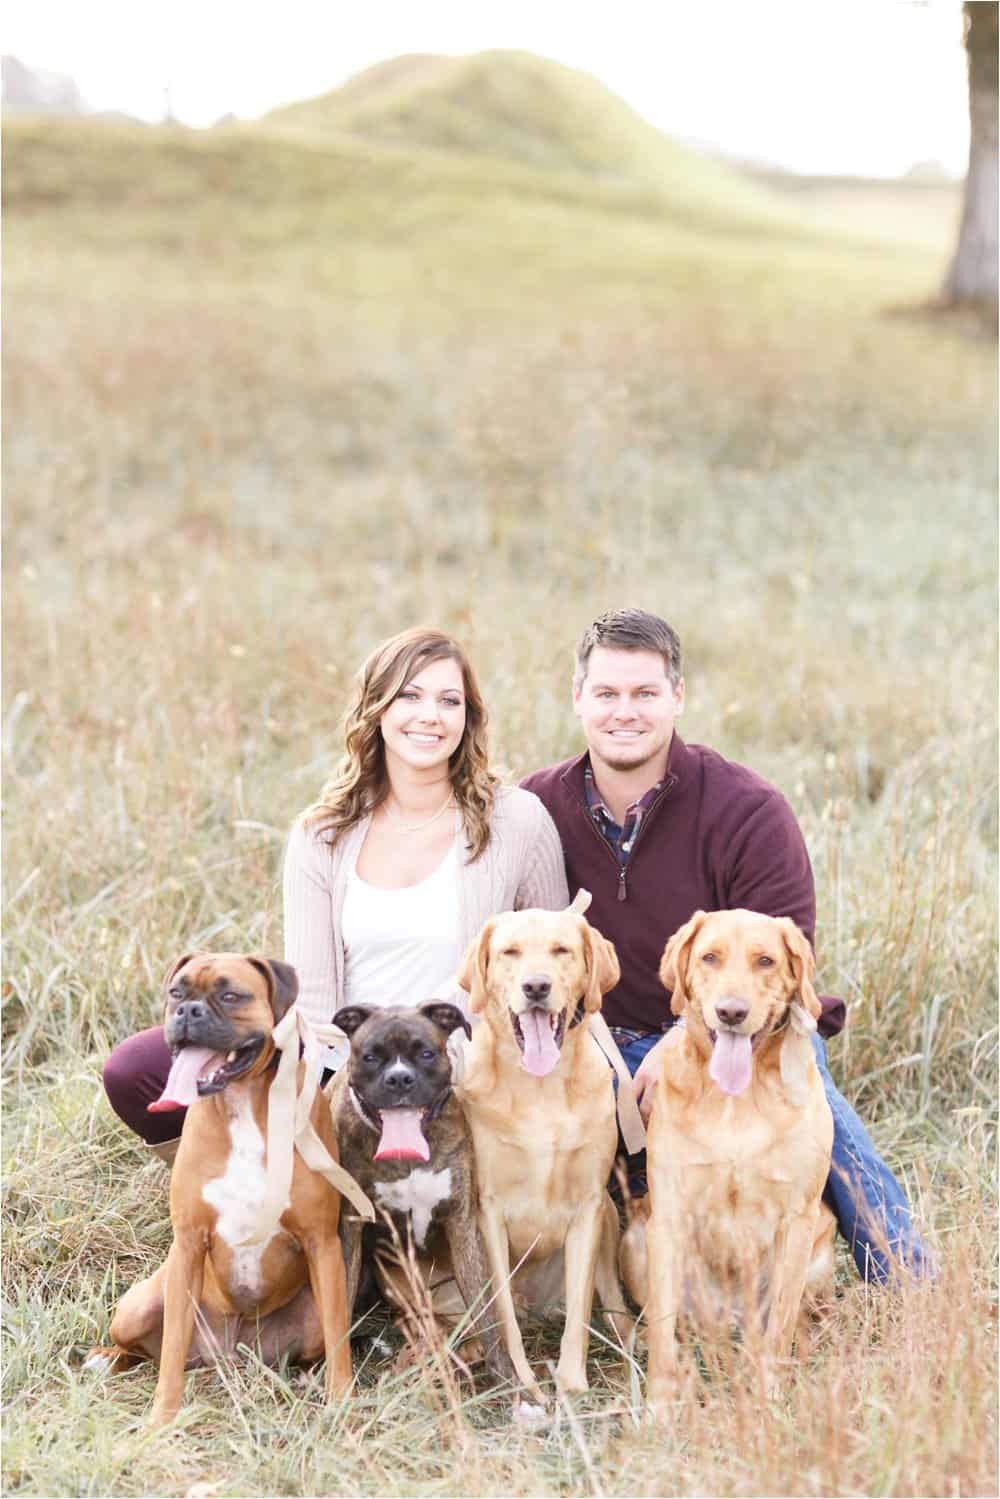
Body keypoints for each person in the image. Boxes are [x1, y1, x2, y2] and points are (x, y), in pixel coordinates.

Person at [521, 607, 932, 1284]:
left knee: (809, 1092)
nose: (626, 711)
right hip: (592, 1039)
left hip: (735, 1032)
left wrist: (677, 1044)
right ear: (578, 698)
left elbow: (778, 976)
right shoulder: (536, 807)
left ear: (678, 697)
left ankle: (906, 1273)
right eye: (607, 693)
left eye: (646, 693)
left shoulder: (747, 808)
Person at [103, 626, 569, 1156]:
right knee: (136, 1069)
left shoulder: (516, 819)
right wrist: (342, 1097)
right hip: (350, 1062)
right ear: (376, 709)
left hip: (465, 1066)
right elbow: (317, 1006)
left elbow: (557, 968)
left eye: (449, 700)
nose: (430, 716)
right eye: (409, 696)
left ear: (469, 716)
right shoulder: (322, 833)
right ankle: (235, 1189)